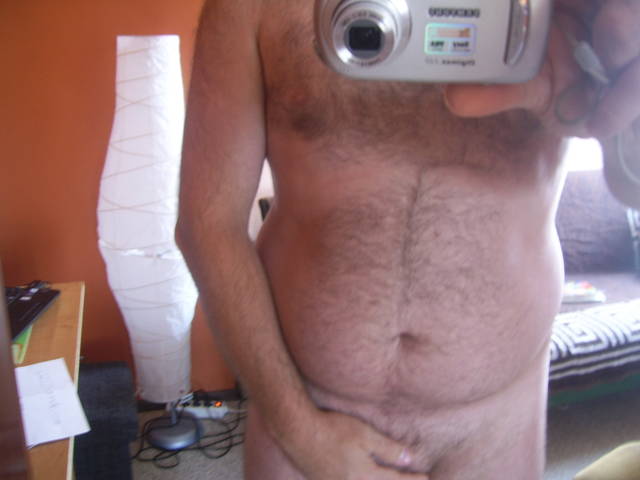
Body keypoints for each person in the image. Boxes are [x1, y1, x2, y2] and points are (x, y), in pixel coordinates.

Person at [176, 1, 640, 479]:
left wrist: (629, 114)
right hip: (304, 412)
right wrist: (299, 430)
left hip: (496, 422)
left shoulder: (575, 6)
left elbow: (632, 184)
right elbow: (208, 223)